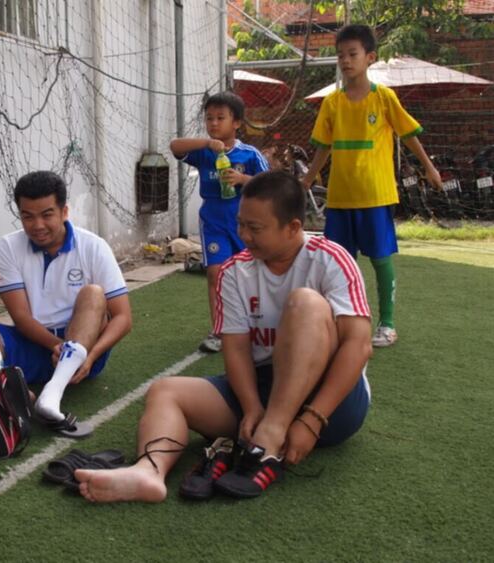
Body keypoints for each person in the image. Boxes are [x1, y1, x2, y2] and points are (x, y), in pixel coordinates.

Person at [74, 171, 372, 503]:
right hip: (263, 388)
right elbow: (237, 350)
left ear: (293, 228)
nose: (243, 235)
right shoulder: (234, 271)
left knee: (305, 303)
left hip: (331, 403)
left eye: (255, 228)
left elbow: (358, 345)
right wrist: (251, 407)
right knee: (166, 391)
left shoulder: (331, 258)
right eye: (241, 224)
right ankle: (149, 472)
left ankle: (272, 434)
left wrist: (313, 420)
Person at [0, 171, 132, 436]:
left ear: (64, 211)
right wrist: (55, 346)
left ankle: (52, 394)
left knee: (94, 293)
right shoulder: (7, 247)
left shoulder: (94, 246)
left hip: (81, 349)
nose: (37, 225)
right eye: (28, 216)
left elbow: (123, 317)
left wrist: (91, 355)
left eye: (47, 214)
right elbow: (21, 317)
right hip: (31, 342)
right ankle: (20, 394)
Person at [301, 24, 443, 348]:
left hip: (375, 196)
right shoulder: (332, 103)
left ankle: (388, 323)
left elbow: (409, 135)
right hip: (339, 199)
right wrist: (308, 178)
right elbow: (323, 147)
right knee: (339, 264)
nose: (346, 61)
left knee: (380, 260)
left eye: (352, 54)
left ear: (369, 57)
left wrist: (430, 168)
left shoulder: (385, 98)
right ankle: (341, 322)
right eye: (340, 55)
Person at [170, 91, 269, 354]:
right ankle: (218, 330)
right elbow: (174, 146)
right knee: (216, 273)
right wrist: (205, 144)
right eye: (209, 118)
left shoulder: (249, 154)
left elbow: (270, 185)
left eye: (220, 118)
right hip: (213, 221)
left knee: (251, 274)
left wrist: (242, 180)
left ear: (236, 122)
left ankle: (255, 324)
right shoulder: (203, 153)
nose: (213, 123)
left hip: (245, 224)